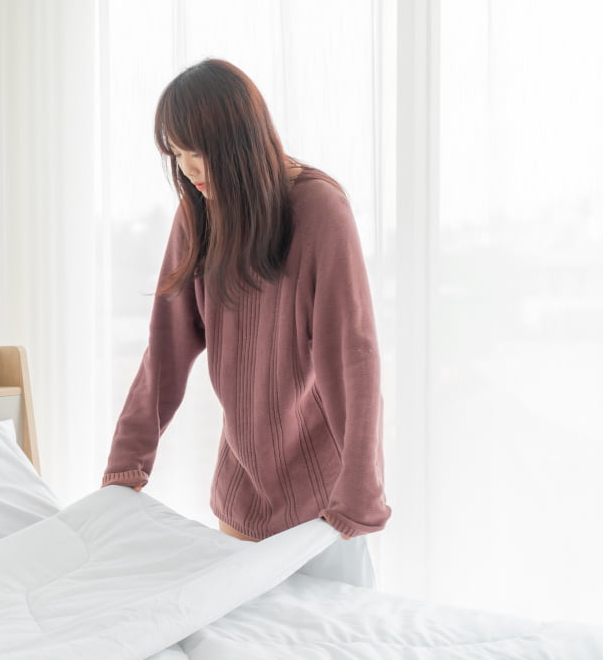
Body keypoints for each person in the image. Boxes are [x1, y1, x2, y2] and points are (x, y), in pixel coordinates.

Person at [101, 59, 390, 587]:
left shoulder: (319, 208)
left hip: (325, 507)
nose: (189, 168)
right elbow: (165, 346)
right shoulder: (198, 214)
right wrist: (128, 463)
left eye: (199, 150)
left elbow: (353, 354)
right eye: (177, 154)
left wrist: (360, 488)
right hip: (241, 494)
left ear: (240, 139)